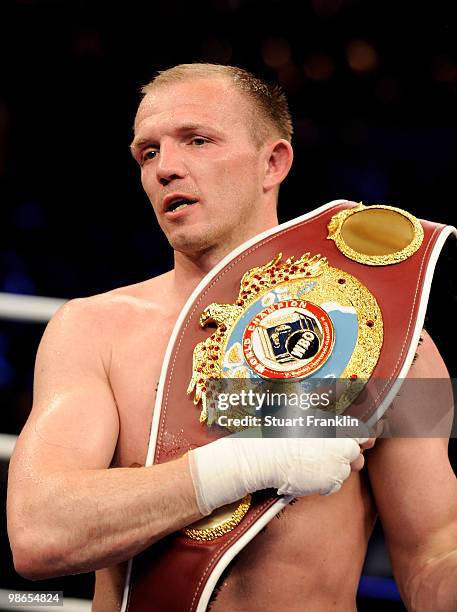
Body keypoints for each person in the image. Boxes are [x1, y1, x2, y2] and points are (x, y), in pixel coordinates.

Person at [6, 64, 457, 611]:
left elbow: (435, 550)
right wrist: (245, 463)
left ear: (274, 162)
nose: (166, 169)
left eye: (198, 141)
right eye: (148, 154)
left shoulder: (395, 339)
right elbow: (38, 533)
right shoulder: (89, 329)